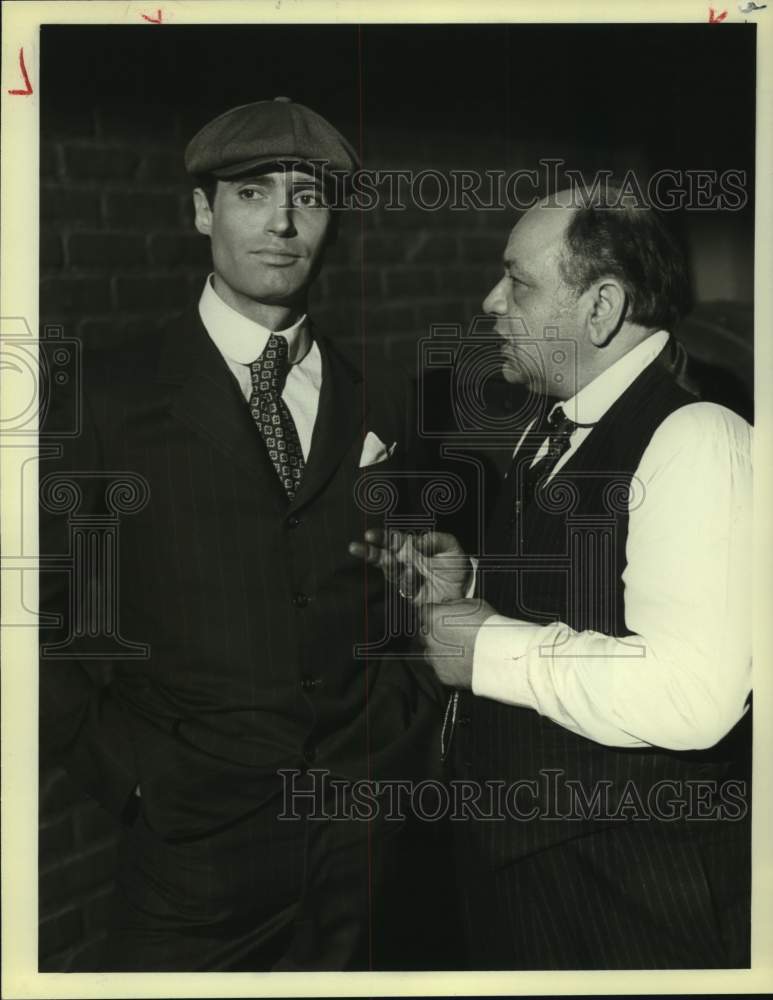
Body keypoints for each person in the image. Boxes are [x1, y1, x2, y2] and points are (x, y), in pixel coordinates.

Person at [39, 97, 439, 971]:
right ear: (200, 211)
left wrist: (399, 734)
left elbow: (408, 577)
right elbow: (40, 613)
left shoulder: (378, 394)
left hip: (358, 836)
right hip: (192, 847)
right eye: (253, 194)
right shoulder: (106, 396)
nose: (283, 223)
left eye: (310, 197)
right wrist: (133, 778)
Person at [353, 188, 752, 969]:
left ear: (600, 307)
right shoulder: (557, 423)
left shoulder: (698, 436)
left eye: (518, 282)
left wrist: (487, 646)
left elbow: (695, 696)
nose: (490, 302)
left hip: (631, 901)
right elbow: (590, 607)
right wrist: (472, 594)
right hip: (541, 881)